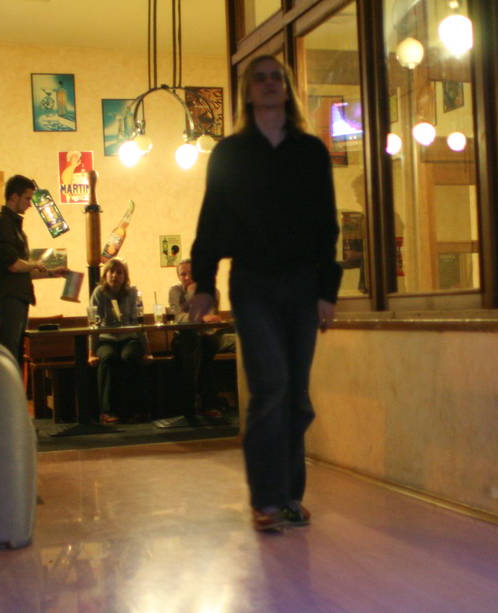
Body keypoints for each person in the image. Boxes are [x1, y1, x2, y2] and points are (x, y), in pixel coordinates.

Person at [189, 55, 341, 532]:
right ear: (248, 91)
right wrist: (204, 283)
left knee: (295, 395)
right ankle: (267, 500)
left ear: (287, 88)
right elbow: (211, 221)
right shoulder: (230, 154)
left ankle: (289, 496)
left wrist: (327, 289)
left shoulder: (310, 152)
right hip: (252, 282)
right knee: (271, 385)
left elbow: (326, 224)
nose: (270, 84)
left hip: (302, 284)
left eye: (278, 77)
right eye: (261, 78)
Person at [0, 174, 68, 368]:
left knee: (14, 353)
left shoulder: (13, 226)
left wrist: (53, 272)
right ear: (14, 197)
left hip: (18, 297)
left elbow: (23, 269)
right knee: (8, 354)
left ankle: (13, 387)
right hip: (8, 297)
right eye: (27, 198)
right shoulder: (0, 224)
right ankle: (7, 388)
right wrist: (35, 264)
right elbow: (13, 265)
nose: (30, 204)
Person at [167, 259, 230, 427]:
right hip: (183, 337)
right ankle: (193, 407)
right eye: (183, 274)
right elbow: (179, 318)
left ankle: (207, 405)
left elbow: (212, 317)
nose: (188, 277)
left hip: (206, 336)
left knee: (208, 345)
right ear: (178, 277)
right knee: (192, 348)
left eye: (191, 273)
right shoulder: (175, 291)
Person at [88, 258, 151, 424]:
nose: (115, 275)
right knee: (108, 358)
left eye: (119, 272)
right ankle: (107, 411)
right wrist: (91, 353)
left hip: (129, 338)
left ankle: (136, 409)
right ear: (105, 275)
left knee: (130, 357)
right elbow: (93, 325)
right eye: (112, 272)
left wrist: (147, 351)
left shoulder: (132, 293)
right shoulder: (99, 293)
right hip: (106, 339)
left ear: (125, 276)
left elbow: (139, 323)